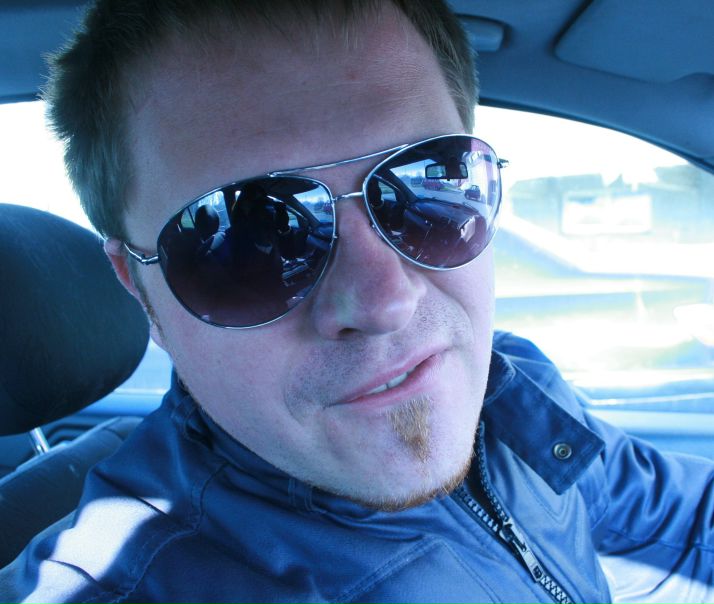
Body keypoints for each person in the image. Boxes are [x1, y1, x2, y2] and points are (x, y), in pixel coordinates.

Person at [5, 0, 713, 602]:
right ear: (139, 288)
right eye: (248, 240)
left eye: (430, 184)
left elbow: (681, 521)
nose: (384, 300)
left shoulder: (508, 395)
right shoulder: (119, 582)